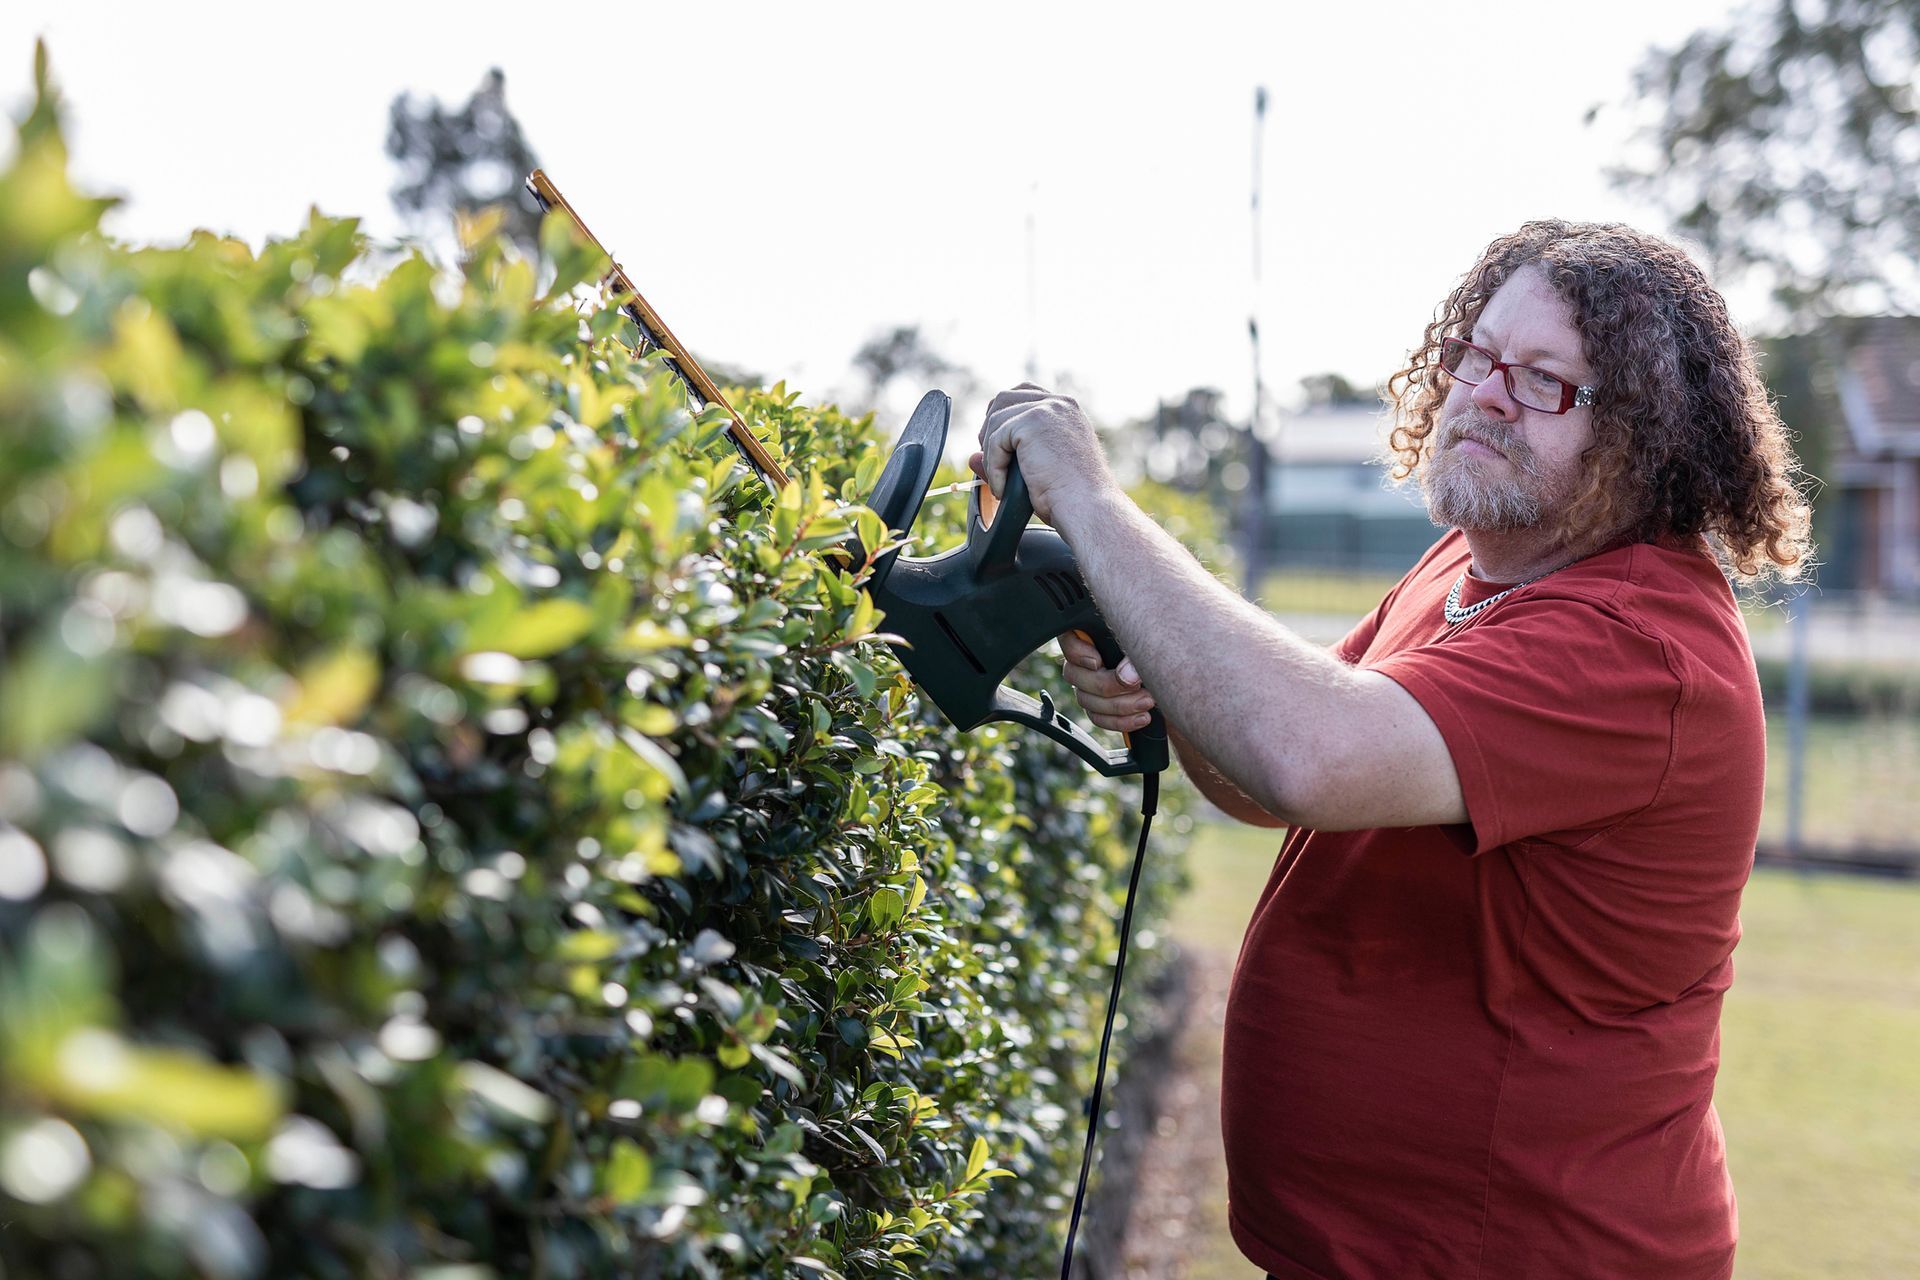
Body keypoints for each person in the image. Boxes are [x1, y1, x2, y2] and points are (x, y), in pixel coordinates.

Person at [966, 220, 1813, 1280]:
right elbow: (1272, 784)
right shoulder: (1475, 558)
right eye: (1481, 354)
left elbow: (1306, 754)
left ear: (1646, 439)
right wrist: (1162, 673)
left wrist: (1091, 501)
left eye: (1546, 381)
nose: (1488, 392)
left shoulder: (1637, 646)